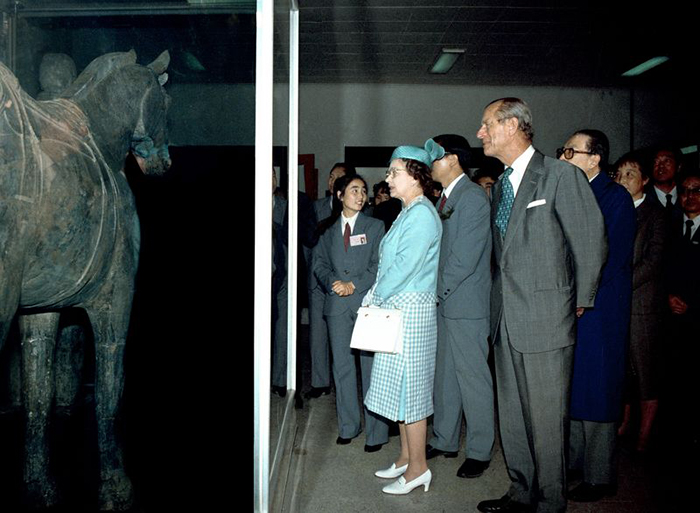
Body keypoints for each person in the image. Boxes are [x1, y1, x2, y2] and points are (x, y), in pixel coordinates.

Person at [475, 98, 607, 513]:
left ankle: (551, 501)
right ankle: (521, 490)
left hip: (547, 320)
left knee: (548, 422)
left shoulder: (560, 176)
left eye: (487, 125)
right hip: (506, 322)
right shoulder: (499, 187)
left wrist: (579, 302)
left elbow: (590, 241)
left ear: (513, 125)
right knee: (512, 416)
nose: (480, 133)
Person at [557, 130, 636, 502]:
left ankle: (600, 476)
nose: (565, 156)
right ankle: (575, 463)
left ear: (595, 159)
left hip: (600, 307)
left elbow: (611, 257)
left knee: (598, 388)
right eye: (563, 150)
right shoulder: (568, 192)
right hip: (570, 304)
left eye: (573, 151)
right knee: (574, 386)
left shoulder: (615, 197)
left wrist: (581, 294)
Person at [364, 142, 442, 495]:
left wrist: (375, 295)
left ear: (415, 176)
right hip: (400, 306)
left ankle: (419, 468)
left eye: (394, 173)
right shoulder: (409, 211)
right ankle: (406, 457)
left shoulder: (423, 214)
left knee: (412, 390)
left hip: (410, 309)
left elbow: (404, 267)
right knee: (400, 387)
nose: (388, 179)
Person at [425, 134, 494, 479]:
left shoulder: (472, 199)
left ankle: (480, 450)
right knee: (445, 377)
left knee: (473, 380)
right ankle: (445, 438)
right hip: (447, 303)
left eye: (434, 157)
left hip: (466, 305)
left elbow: (463, 259)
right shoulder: (446, 199)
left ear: (452, 159)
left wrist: (433, 292)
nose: (429, 164)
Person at [313, 174, 390, 452]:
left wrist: (353, 285)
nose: (360, 195)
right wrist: (331, 282)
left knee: (370, 369)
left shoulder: (375, 226)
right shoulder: (329, 230)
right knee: (342, 368)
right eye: (354, 190)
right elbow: (318, 264)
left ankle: (376, 434)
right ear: (339, 195)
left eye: (364, 190)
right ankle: (348, 426)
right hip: (336, 306)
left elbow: (379, 264)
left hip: (365, 305)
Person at [613, 152, 669, 453]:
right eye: (619, 174)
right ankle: (623, 423)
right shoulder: (616, 208)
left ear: (645, 180)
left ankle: (646, 433)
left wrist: (619, 285)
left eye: (630, 174)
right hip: (618, 301)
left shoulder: (656, 215)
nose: (623, 180)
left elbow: (653, 262)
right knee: (623, 369)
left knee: (646, 370)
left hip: (642, 304)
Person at [307, 163, 356, 399]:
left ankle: (345, 384)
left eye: (339, 178)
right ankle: (319, 382)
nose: (332, 181)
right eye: (331, 177)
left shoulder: (360, 214)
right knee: (317, 332)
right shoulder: (314, 207)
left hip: (347, 285)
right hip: (319, 281)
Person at [645, 146, 683, 217]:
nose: (661, 166)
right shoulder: (643, 197)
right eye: (656, 162)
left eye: (667, 161)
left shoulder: (688, 196)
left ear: (679, 167)